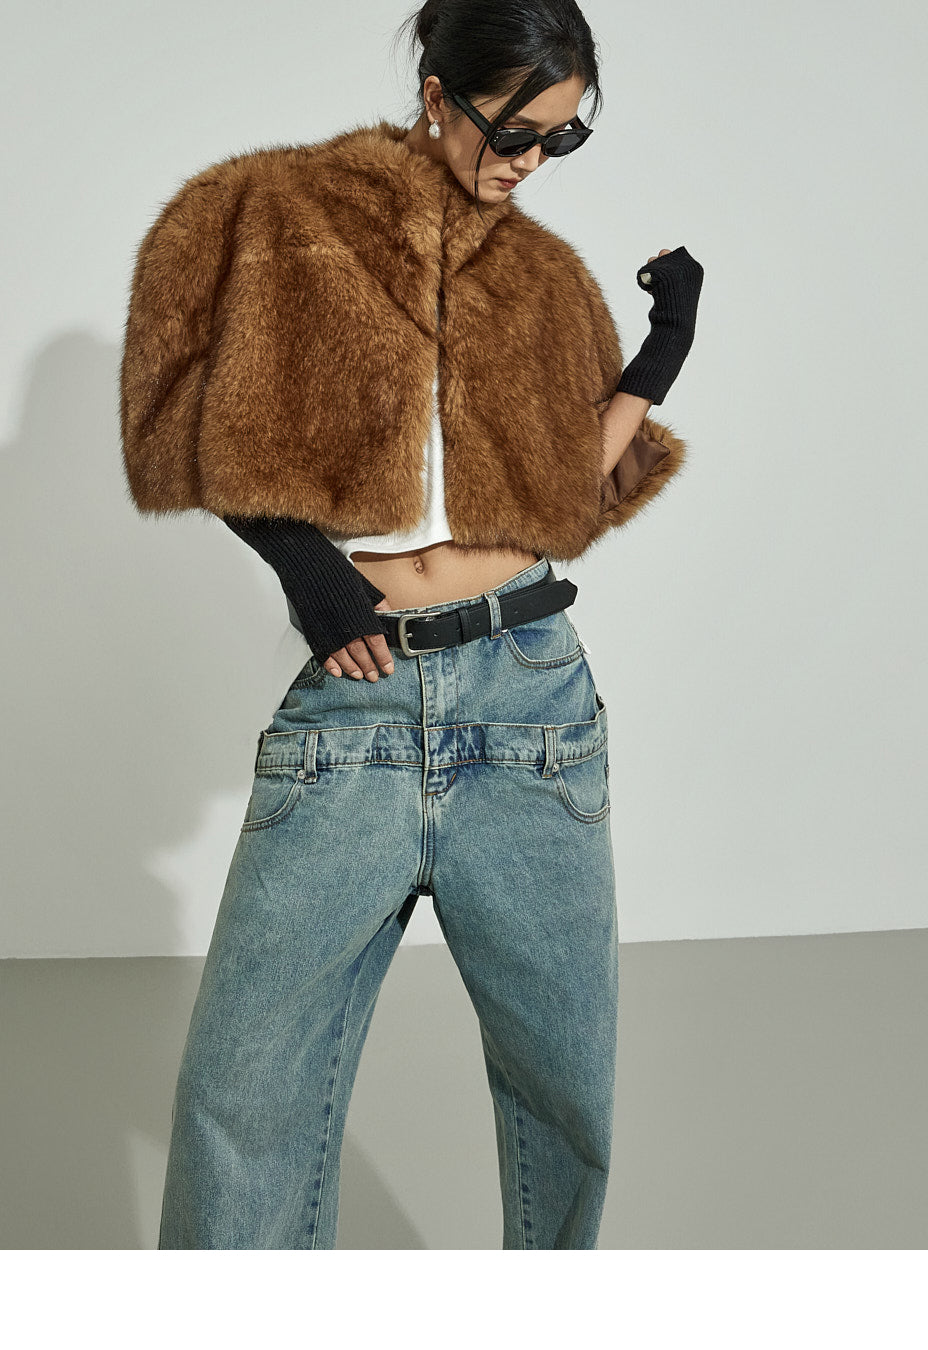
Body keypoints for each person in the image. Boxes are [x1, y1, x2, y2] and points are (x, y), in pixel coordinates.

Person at [119, 0, 703, 1250]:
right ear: (438, 92)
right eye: (514, 129)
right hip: (360, 702)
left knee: (564, 1081)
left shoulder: (543, 277)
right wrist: (306, 570)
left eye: (561, 139)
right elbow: (190, 406)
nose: (529, 162)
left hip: (534, 696)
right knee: (244, 1083)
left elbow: (565, 495)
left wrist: (660, 353)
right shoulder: (283, 215)